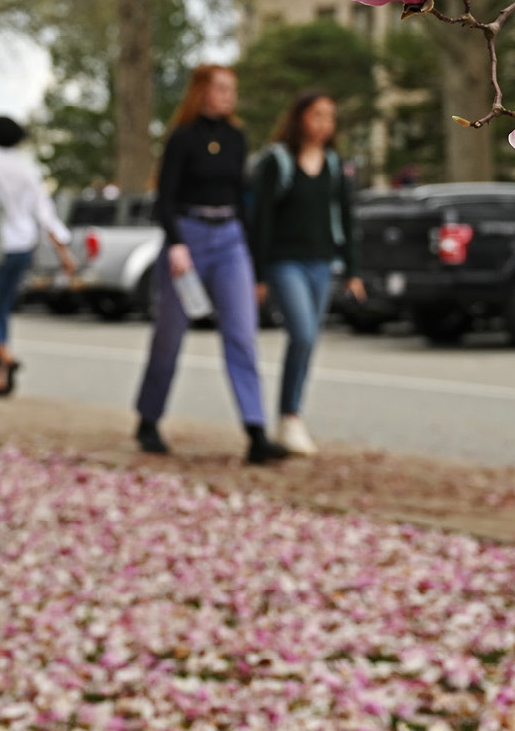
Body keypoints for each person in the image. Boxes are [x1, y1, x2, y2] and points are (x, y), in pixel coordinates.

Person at [133, 65, 288, 465]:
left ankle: (255, 432)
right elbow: (163, 199)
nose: (227, 95)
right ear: (201, 92)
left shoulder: (237, 138)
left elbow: (243, 197)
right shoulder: (182, 139)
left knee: (242, 333)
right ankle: (148, 418)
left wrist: (254, 260)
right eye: (221, 88)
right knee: (170, 334)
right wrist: (177, 243)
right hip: (188, 235)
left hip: (229, 238)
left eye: (232, 89)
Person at [247, 91, 364, 458]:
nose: (324, 123)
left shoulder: (333, 164)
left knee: (309, 341)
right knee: (302, 332)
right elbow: (261, 219)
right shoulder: (277, 162)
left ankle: (290, 419)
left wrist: (352, 270)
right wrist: (258, 275)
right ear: (299, 118)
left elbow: (345, 217)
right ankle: (290, 416)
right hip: (285, 263)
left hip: (321, 263)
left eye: (329, 117)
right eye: (317, 115)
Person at [0, 116, 75, 397]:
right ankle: (0, 378)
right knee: (1, 310)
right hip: (24, 246)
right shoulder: (28, 168)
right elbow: (44, 211)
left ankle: (3, 355)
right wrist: (63, 249)